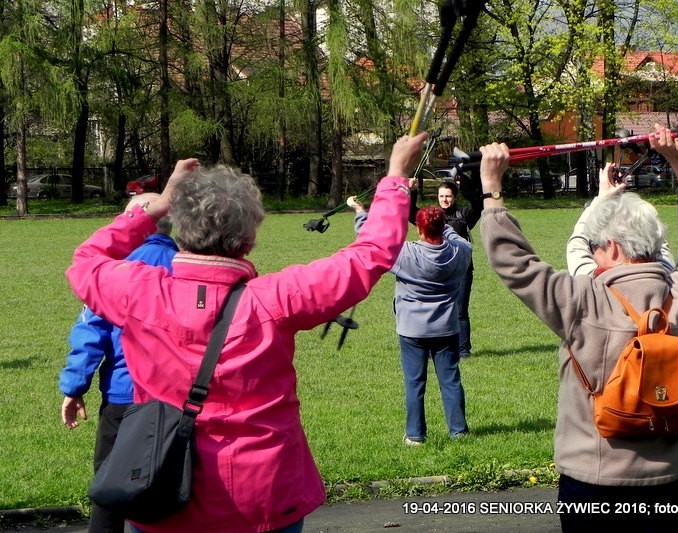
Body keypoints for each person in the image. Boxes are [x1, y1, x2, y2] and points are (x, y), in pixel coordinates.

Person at [64, 131, 428, 533]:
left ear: (179, 227)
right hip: (263, 499)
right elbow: (369, 255)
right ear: (250, 237)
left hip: (161, 489)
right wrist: (394, 176)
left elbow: (86, 260)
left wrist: (156, 206)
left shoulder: (139, 292)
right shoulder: (277, 298)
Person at [478, 125, 678, 531]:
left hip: (592, 486)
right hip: (665, 485)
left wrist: (492, 188)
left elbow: (514, 262)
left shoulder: (581, 300)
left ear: (610, 246)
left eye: (594, 246)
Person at [59, 202, 178, 533]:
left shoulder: (116, 269)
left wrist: (74, 387)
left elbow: (90, 332)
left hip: (122, 395)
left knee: (111, 482)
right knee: (170, 480)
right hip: (174, 398)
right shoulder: (184, 265)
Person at [349, 194, 471, 445]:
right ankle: (458, 431)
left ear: (419, 229)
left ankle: (416, 435)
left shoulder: (404, 254)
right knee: (450, 380)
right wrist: (442, 225)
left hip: (412, 329)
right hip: (446, 326)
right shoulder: (462, 252)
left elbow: (370, 240)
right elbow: (457, 238)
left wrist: (360, 212)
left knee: (415, 383)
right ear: (441, 227)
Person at [410, 174, 482, 358]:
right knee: (435, 309)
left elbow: (478, 205)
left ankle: (463, 350)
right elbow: (411, 213)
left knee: (460, 310)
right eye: (441, 196)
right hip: (436, 270)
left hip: (462, 270)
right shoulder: (432, 217)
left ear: (455, 197)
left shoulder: (464, 215)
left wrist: (465, 183)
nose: (444, 200)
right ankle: (435, 347)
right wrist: (413, 191)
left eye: (448, 196)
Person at [566, 169, 675, 277]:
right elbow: (655, 237)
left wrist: (602, 198)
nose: (593, 254)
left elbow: (577, 246)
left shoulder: (594, 286)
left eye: (595, 245)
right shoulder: (671, 281)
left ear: (612, 247)